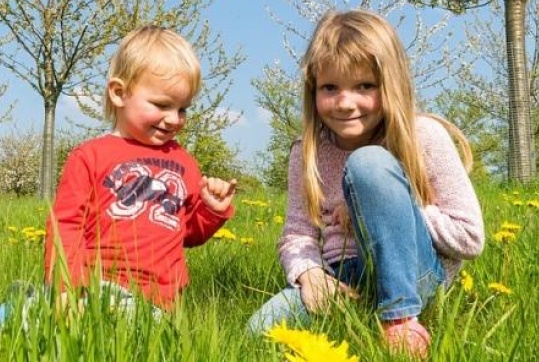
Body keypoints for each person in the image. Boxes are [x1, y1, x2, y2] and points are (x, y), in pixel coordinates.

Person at [247, 9, 484, 358]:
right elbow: (297, 233)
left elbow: (470, 237)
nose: (345, 103)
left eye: (365, 86)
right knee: (260, 331)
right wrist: (310, 274)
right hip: (343, 277)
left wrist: (382, 209)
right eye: (330, 87)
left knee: (368, 164)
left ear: (391, 85)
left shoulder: (425, 137)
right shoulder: (305, 152)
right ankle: (362, 311)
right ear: (313, 89)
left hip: (416, 274)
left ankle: (400, 320)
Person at [43, 25, 237, 314]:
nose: (174, 119)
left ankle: (29, 310)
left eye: (183, 109)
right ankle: (32, 309)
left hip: (161, 301)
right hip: (97, 287)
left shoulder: (183, 162)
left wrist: (211, 210)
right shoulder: (90, 156)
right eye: (162, 105)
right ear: (120, 93)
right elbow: (65, 226)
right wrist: (67, 287)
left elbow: (190, 233)